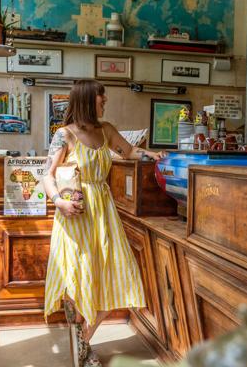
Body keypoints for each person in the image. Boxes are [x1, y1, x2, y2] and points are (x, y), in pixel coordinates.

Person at [43, 79, 164, 367]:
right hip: (75, 213)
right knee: (76, 277)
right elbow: (47, 175)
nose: (105, 101)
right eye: (101, 98)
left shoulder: (106, 130)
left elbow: (128, 152)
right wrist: (59, 202)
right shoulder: (65, 135)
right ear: (87, 99)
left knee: (113, 274)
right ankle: (81, 343)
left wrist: (151, 154)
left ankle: (83, 338)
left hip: (103, 211)